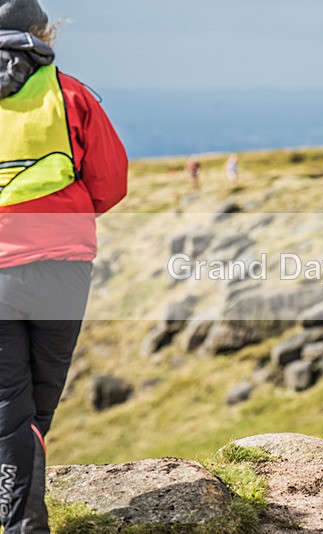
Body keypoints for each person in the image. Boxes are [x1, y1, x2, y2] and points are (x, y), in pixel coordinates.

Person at [0, 1, 128, 531]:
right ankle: (24, 521)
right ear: (44, 32)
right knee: (38, 402)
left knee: (9, 403)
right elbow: (112, 182)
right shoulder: (71, 93)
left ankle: (21, 520)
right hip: (64, 267)